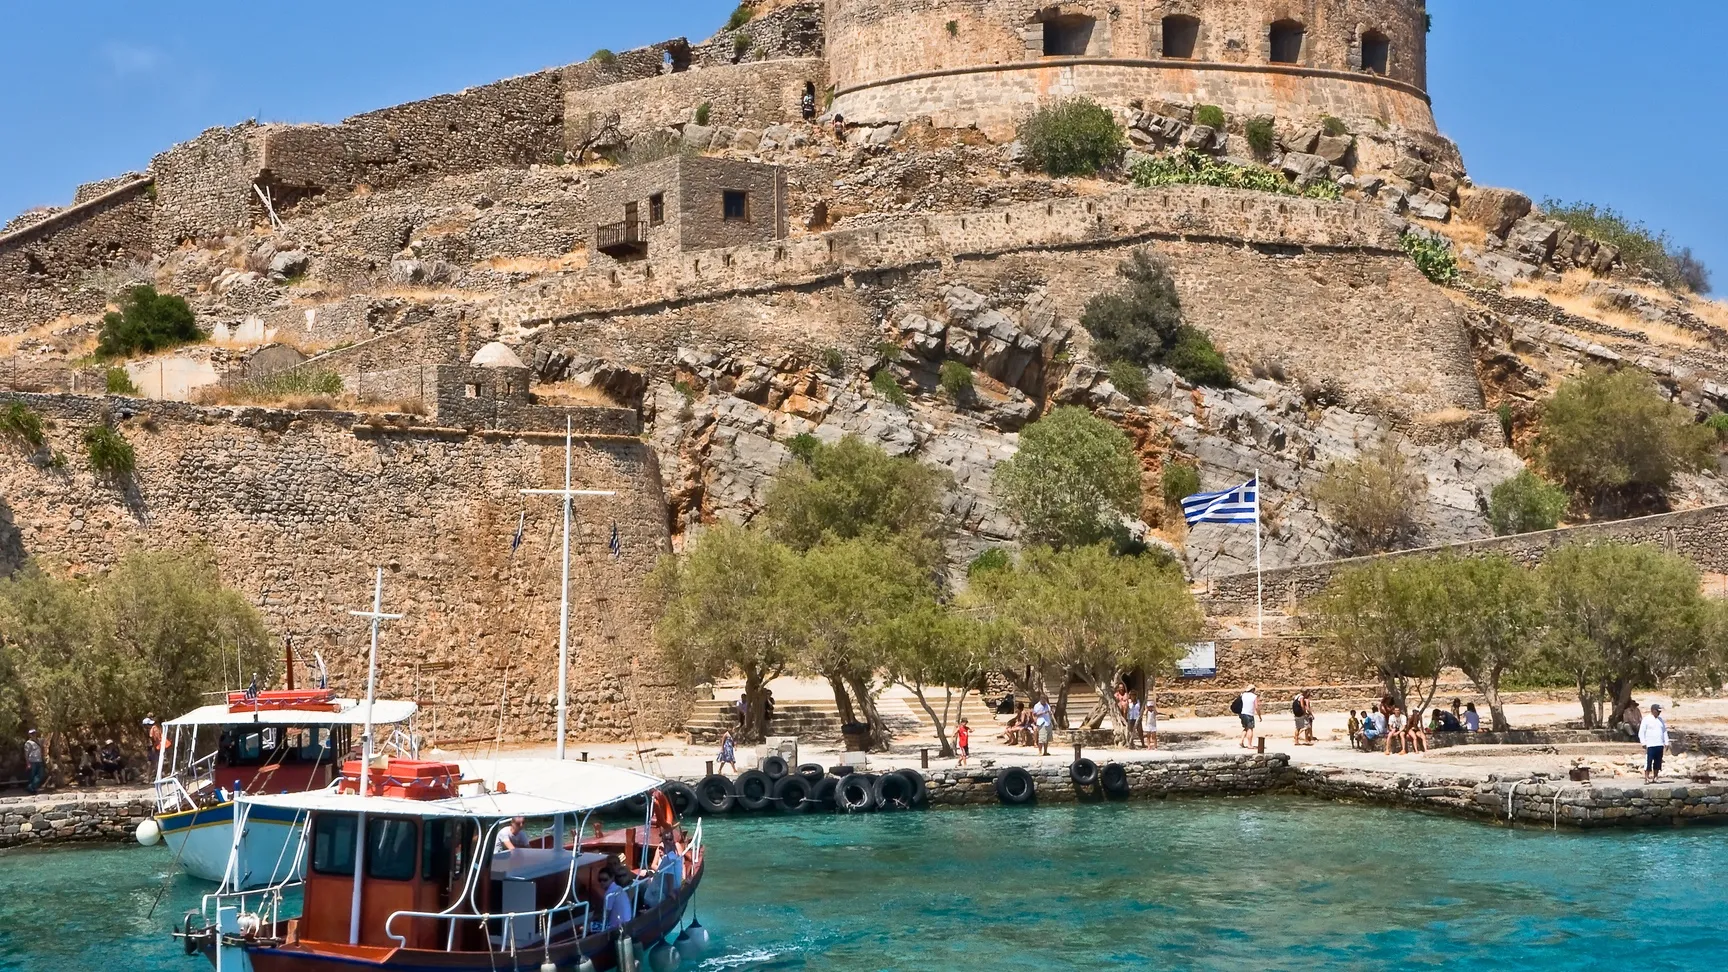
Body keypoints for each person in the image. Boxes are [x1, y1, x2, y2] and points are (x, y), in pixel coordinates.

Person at [1640, 703, 1670, 783]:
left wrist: (1666, 742)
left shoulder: (1660, 720)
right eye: (1658, 711)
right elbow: (1641, 732)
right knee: (1648, 761)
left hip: (1659, 744)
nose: (1659, 713)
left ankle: (1655, 777)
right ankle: (1646, 778)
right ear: (1653, 711)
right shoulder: (1646, 719)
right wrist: (1643, 742)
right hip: (1650, 744)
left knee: (1658, 761)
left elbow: (1664, 731)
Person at [597, 867, 635, 931]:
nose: (602, 882)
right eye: (600, 880)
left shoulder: (609, 893)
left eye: (605, 880)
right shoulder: (618, 888)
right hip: (627, 922)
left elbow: (605, 915)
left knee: (587, 927)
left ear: (612, 878)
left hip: (617, 927)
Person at [1236, 684, 1259, 749]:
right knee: (1250, 729)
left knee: (1245, 728)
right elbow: (1256, 707)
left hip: (1242, 714)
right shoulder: (1254, 696)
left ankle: (1241, 741)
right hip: (1249, 714)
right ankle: (1249, 744)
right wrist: (1259, 716)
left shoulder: (1242, 695)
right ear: (1253, 690)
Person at [23, 730, 45, 795]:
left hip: (39, 760)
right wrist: (28, 763)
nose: (33, 735)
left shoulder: (38, 741)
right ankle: (32, 789)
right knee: (32, 776)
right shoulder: (28, 743)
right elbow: (26, 754)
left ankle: (30, 787)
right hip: (32, 761)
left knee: (40, 775)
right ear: (29, 735)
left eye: (34, 733)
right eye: (32, 734)